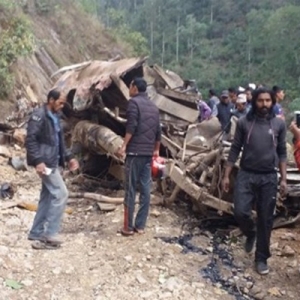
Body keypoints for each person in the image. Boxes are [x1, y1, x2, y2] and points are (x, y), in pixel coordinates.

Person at [222, 87, 287, 275]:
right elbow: (234, 149)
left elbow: (282, 152)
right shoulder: (244, 123)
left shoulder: (279, 125)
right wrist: (226, 175)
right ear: (254, 102)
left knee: (266, 219)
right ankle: (250, 232)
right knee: (241, 211)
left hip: (268, 176)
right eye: (260, 101)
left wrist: (283, 179)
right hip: (246, 173)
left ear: (272, 102)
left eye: (268, 101)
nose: (264, 104)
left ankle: (261, 258)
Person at [26, 89, 79, 249]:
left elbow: (60, 141)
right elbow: (30, 140)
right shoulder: (39, 116)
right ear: (50, 100)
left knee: (48, 196)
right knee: (61, 194)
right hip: (45, 163)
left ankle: (36, 231)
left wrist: (69, 157)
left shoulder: (55, 117)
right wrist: (38, 161)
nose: (62, 106)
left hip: (53, 162)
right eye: (60, 102)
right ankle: (50, 234)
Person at [117, 77, 161, 236]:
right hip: (148, 154)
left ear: (135, 87)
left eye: (130, 86)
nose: (129, 89)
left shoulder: (133, 103)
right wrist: (156, 150)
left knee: (129, 188)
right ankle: (140, 226)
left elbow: (131, 126)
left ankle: (127, 228)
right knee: (145, 189)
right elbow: (158, 131)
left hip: (135, 152)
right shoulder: (154, 107)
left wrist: (124, 146)